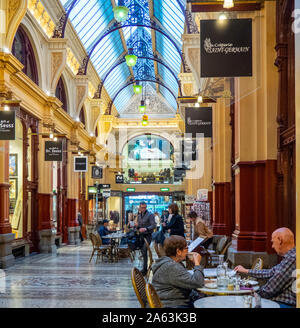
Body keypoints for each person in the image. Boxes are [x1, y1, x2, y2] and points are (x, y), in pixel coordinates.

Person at [234, 227, 296, 308]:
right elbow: (270, 272)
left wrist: (252, 293)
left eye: (273, 242)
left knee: (244, 303)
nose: (273, 246)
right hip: (279, 301)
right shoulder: (291, 256)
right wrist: (246, 271)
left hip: (285, 304)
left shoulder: (292, 259)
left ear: (280, 240)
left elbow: (270, 289)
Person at [152, 235, 205, 308]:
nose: (188, 251)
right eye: (186, 248)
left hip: (171, 300)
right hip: (171, 304)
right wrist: (197, 263)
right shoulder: (172, 266)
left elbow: (187, 279)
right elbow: (198, 283)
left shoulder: (171, 262)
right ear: (178, 251)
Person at [135, 201, 156, 276]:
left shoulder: (150, 215)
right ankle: (144, 268)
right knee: (143, 252)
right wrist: (136, 226)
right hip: (141, 235)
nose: (143, 209)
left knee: (144, 250)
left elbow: (153, 225)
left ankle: (145, 269)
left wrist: (146, 229)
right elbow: (139, 226)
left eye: (144, 207)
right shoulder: (139, 215)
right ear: (140, 207)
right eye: (142, 207)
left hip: (148, 235)